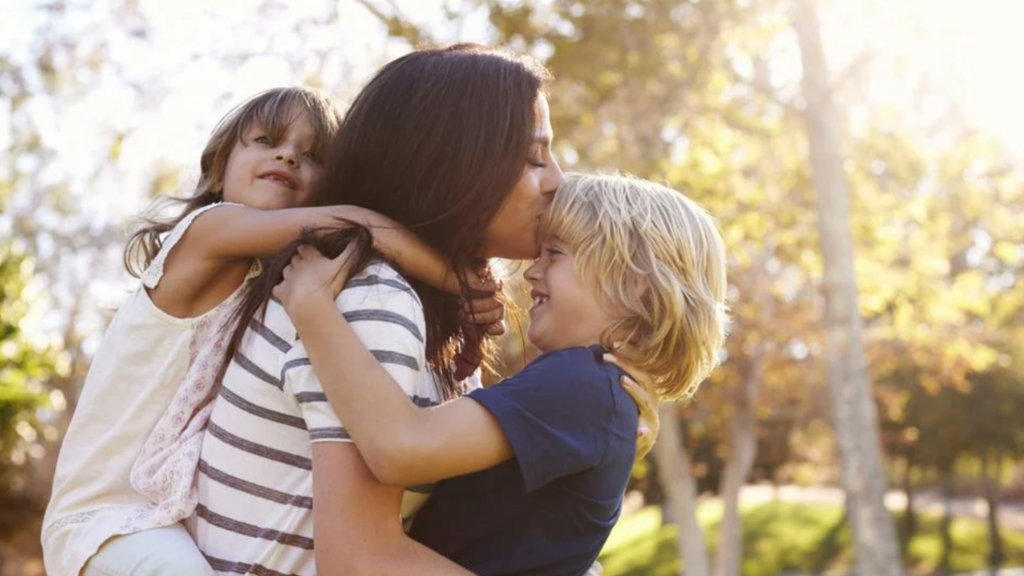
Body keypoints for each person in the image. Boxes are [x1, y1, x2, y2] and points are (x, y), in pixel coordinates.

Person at [41, 86, 488, 576]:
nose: (287, 156)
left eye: (312, 155)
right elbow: (360, 225)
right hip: (109, 517)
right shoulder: (205, 234)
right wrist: (462, 285)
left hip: (169, 512)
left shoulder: (271, 280)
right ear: (217, 168)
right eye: (265, 139)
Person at [189, 44, 570, 576]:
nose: (557, 179)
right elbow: (359, 561)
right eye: (533, 158)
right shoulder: (370, 300)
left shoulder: (417, 308)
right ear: (454, 167)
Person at [277, 172, 729, 575]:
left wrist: (312, 307)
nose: (532, 272)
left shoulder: (581, 383)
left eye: (555, 253)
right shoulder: (596, 392)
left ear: (635, 284)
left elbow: (401, 445)